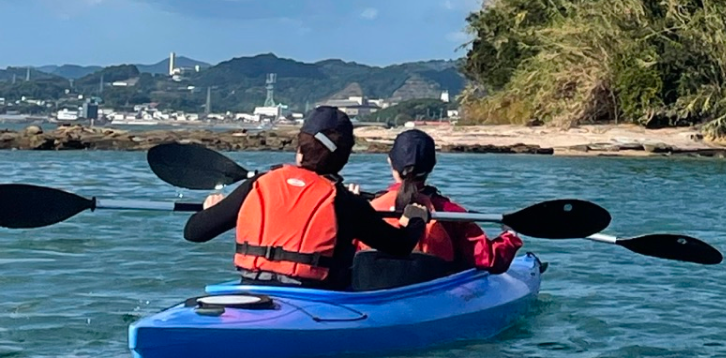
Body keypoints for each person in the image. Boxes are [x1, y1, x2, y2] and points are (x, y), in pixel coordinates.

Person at [182, 106, 429, 290]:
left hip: (254, 290)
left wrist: (209, 211)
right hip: (320, 300)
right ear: (344, 159)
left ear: (300, 150)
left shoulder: (257, 185)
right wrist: (415, 219)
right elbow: (399, 246)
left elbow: (194, 232)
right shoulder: (344, 201)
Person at [362, 128, 523, 276]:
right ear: (432, 166)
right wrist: (510, 235)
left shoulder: (367, 208)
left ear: (390, 161)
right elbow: (490, 260)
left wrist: (348, 203)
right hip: (430, 288)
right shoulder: (450, 212)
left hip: (371, 288)